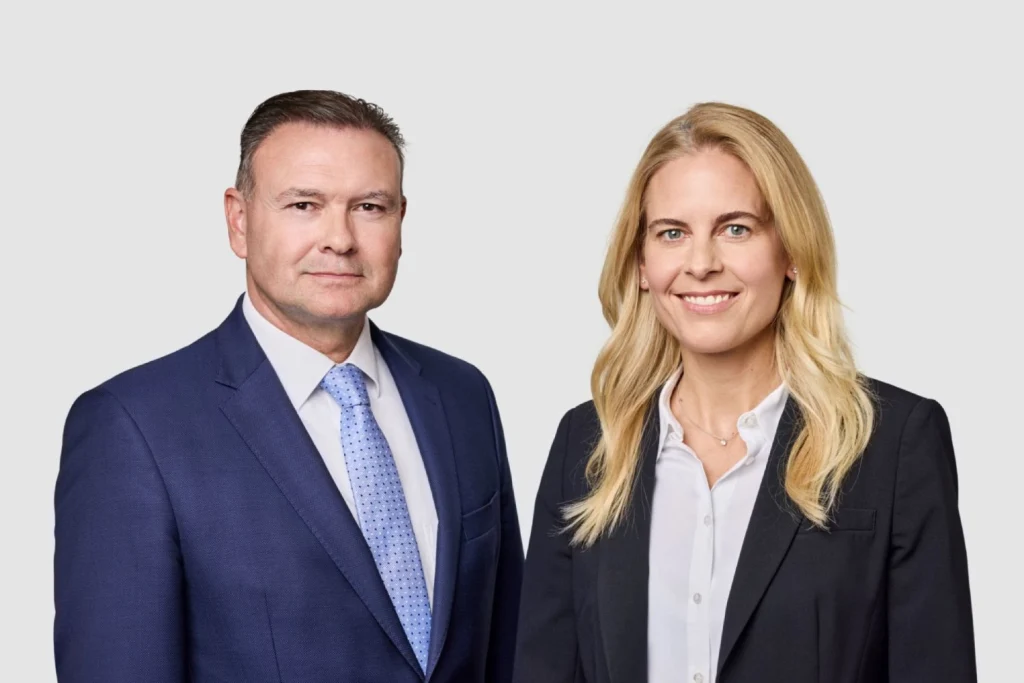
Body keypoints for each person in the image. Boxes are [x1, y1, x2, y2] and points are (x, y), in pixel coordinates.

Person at [54, 89, 523, 683]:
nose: (340, 239)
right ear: (239, 220)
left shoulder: (462, 396)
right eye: (304, 205)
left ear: (401, 221)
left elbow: (513, 650)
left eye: (370, 207)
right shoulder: (133, 428)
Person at [512, 102, 976, 683]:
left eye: (736, 229)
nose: (702, 263)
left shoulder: (895, 442)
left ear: (792, 252)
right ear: (641, 264)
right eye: (672, 233)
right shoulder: (588, 444)